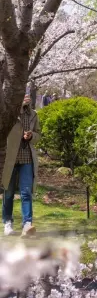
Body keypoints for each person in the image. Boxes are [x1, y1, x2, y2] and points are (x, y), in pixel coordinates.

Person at [2, 91, 40, 236]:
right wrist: (18, 107)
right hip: (10, 159)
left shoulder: (34, 114)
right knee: (8, 192)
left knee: (26, 193)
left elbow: (38, 135)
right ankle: (7, 222)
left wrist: (31, 136)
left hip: (27, 159)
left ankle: (27, 225)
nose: (26, 98)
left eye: (27, 95)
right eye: (22, 95)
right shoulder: (9, 114)